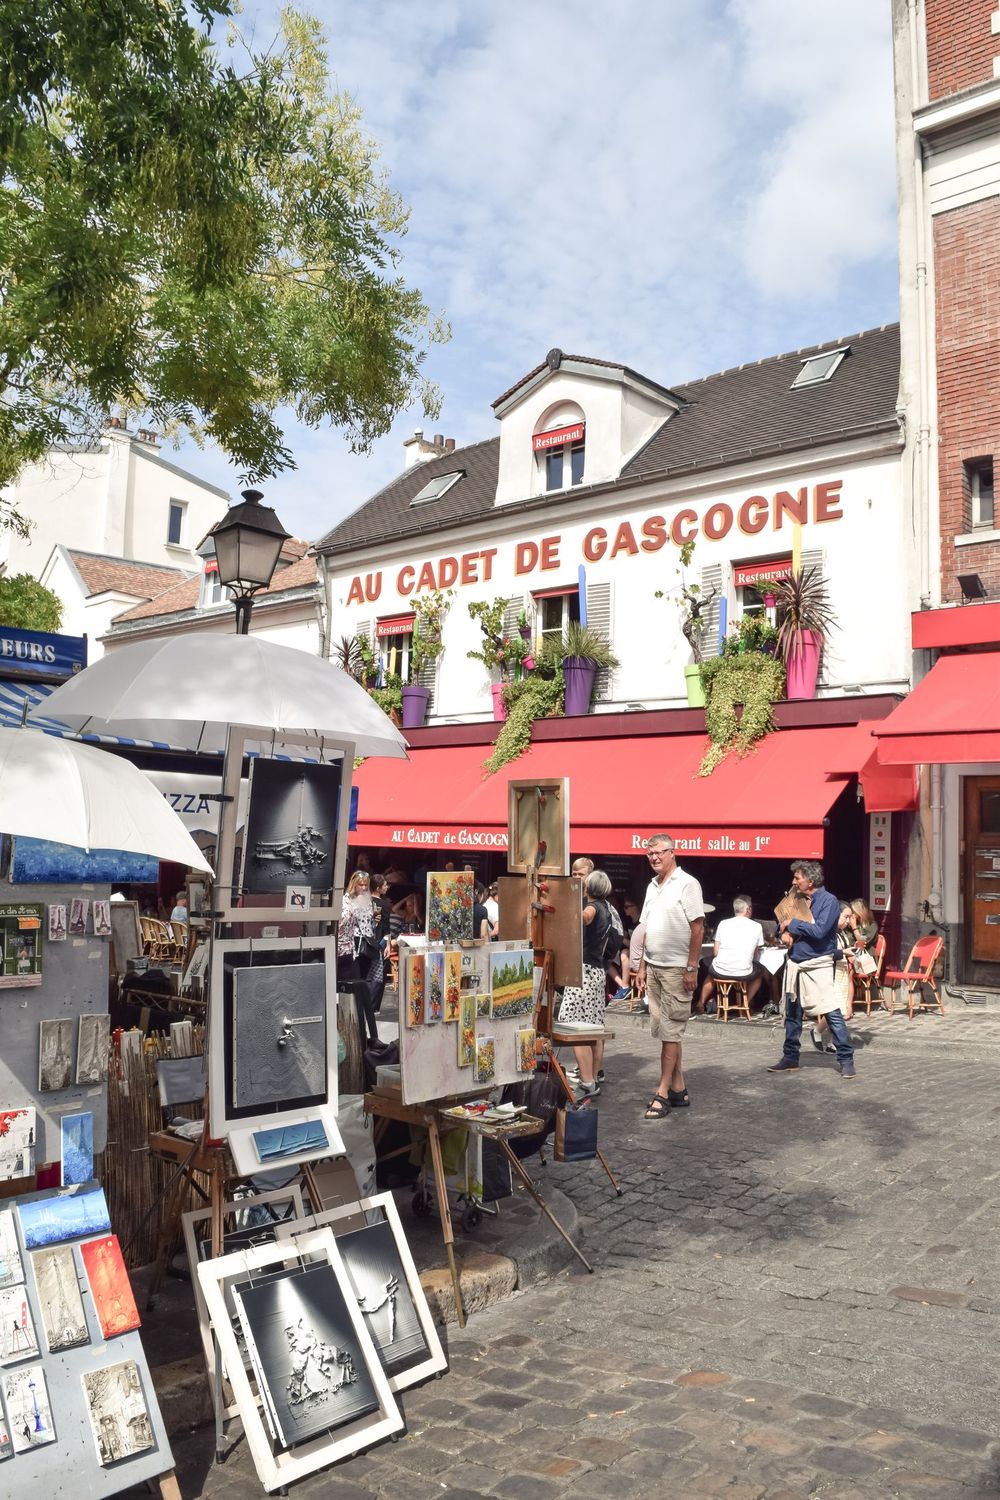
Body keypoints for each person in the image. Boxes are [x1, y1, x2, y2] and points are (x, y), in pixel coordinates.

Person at [635, 834, 705, 1119]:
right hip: (654, 966)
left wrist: (691, 967)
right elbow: (647, 927)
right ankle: (679, 1088)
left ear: (672, 852)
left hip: (677, 968)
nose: (654, 858)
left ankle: (662, 1092)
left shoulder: (687, 884)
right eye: (649, 854)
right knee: (667, 1031)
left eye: (659, 853)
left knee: (671, 1031)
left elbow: (698, 927)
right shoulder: (652, 886)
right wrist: (641, 967)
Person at [768, 859, 855, 1079]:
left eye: (798, 878)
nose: (794, 881)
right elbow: (782, 923)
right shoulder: (794, 898)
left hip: (818, 963)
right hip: (796, 963)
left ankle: (846, 1059)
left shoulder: (829, 901)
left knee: (831, 1012)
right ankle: (790, 1058)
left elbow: (819, 931)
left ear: (811, 879)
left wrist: (792, 925)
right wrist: (783, 932)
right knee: (793, 1015)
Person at [557, 870, 614, 1098]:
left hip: (584, 972)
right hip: (596, 971)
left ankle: (587, 1080)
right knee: (591, 1028)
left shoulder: (594, 907)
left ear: (588, 888)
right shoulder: (607, 908)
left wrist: (571, 913)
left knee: (573, 1026)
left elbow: (587, 915)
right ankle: (591, 1079)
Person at [698, 895, 763, 1013]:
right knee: (760, 974)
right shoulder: (757, 926)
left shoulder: (723, 923)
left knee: (712, 971)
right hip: (744, 972)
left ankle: (700, 1003)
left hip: (720, 970)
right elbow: (755, 955)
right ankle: (745, 1004)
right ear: (748, 909)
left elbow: (716, 952)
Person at [337, 871, 379, 1043]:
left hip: (353, 950)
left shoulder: (364, 901)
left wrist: (374, 920)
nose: (363, 888)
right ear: (353, 883)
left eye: (365, 885)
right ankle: (352, 1031)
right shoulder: (344, 901)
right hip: (343, 949)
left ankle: (364, 1033)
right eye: (360, 884)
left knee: (359, 989)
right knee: (348, 989)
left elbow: (366, 924)